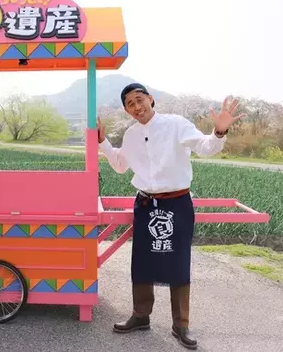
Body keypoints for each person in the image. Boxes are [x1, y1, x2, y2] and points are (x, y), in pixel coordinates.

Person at [97, 83, 245, 350]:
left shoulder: (176, 124)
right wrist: (102, 142)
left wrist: (219, 131)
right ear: (127, 110)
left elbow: (206, 146)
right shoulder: (131, 134)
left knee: (178, 262)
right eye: (130, 104)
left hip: (177, 203)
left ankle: (181, 324)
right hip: (146, 204)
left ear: (151, 99)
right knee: (142, 261)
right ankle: (140, 316)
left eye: (139, 99)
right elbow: (120, 164)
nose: (137, 106)